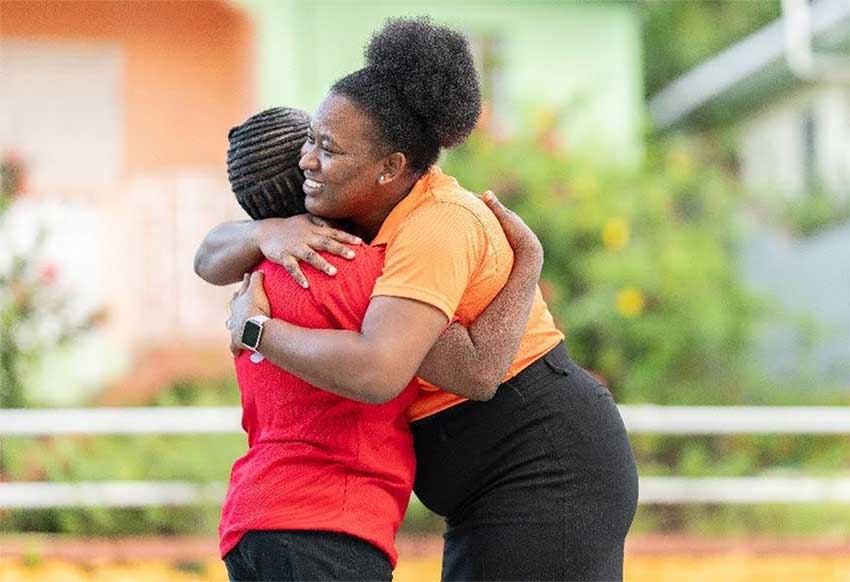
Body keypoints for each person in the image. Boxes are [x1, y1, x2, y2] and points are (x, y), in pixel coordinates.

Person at [199, 17, 639, 581]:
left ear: (391, 167)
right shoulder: (346, 227)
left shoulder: (435, 226)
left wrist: (256, 329)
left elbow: (429, 370)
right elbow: (207, 255)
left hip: (543, 464)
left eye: (327, 149)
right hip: (482, 488)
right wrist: (263, 232)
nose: (308, 160)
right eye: (310, 138)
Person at [213, 106, 545, 581]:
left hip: (253, 522)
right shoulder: (365, 277)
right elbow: (477, 367)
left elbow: (207, 258)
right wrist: (527, 262)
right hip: (328, 526)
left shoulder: (254, 280)